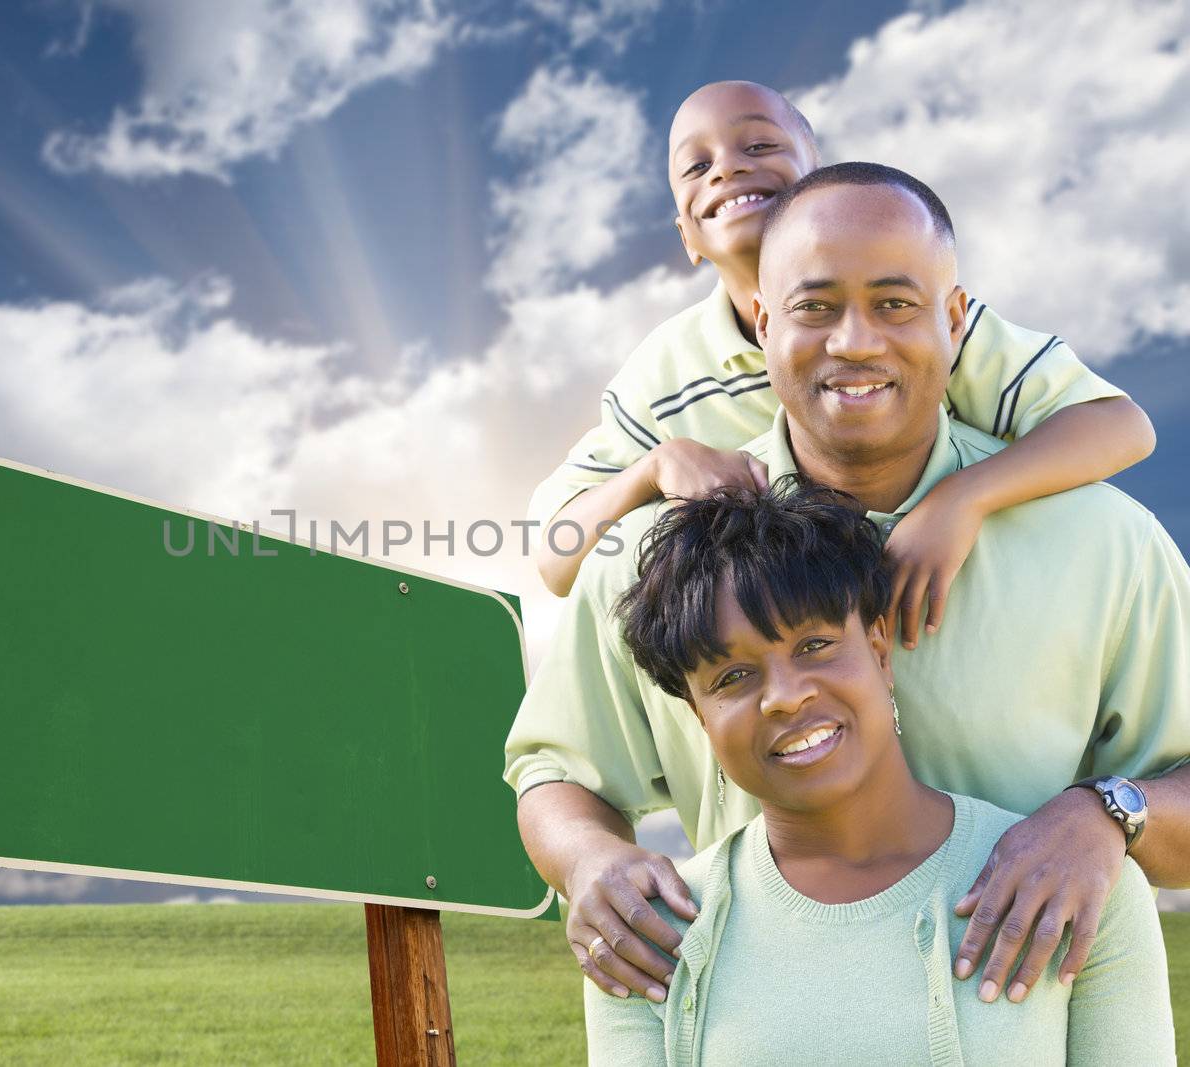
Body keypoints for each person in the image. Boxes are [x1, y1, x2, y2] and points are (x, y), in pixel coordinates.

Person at [504, 163, 1190, 1013]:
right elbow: (556, 768)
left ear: (954, 319)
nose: (854, 341)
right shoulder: (652, 558)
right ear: (762, 322)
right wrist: (588, 860)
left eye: (896, 304)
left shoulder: (1104, 544)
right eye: (814, 307)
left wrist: (1106, 814)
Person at [530, 81, 1154, 662]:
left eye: (759, 144)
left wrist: (962, 499)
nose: (728, 167)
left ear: (821, 187)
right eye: (697, 165)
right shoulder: (665, 373)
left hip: (959, 626)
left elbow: (1119, 426)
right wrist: (652, 468)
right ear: (686, 236)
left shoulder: (924, 327)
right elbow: (557, 558)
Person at [581, 484, 1174, 1065]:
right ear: (699, 718)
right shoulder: (643, 931)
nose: (785, 697)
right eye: (731, 678)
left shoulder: (1076, 880)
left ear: (880, 652)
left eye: (814, 644)